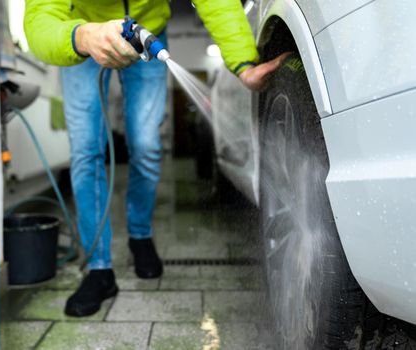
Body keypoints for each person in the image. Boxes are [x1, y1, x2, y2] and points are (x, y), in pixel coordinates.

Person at [24, 0, 288, 317]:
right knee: (85, 151)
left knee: (147, 145)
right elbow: (40, 15)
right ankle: (98, 268)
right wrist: (81, 36)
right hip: (80, 27)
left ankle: (141, 236)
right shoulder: (80, 32)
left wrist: (244, 62)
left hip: (147, 28)